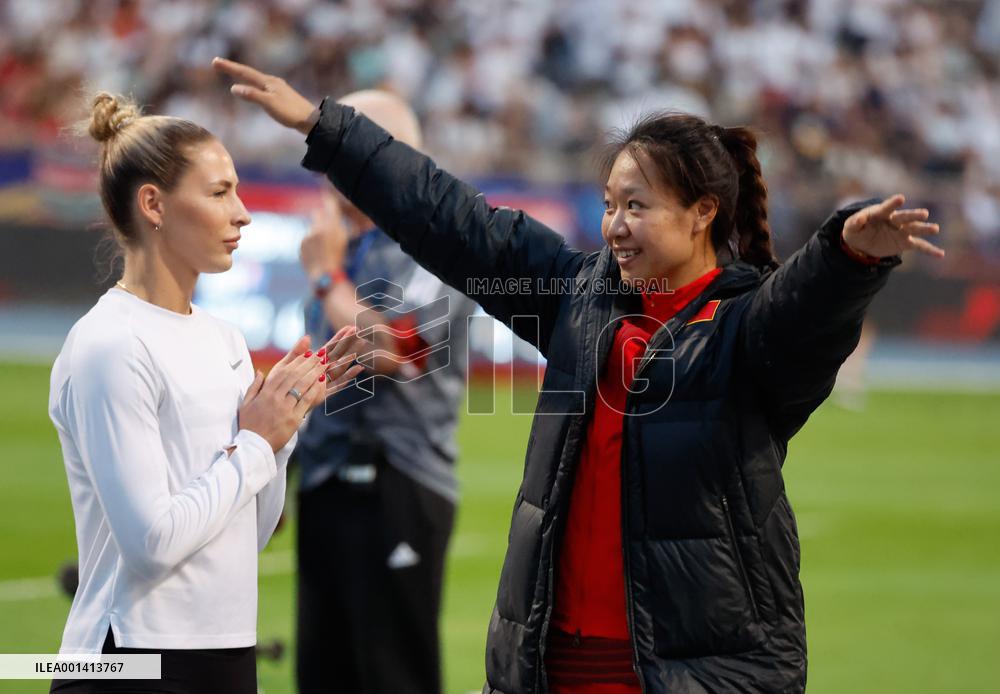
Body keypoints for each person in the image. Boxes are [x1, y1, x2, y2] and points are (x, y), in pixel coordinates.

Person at [212, 58, 944, 694]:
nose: (616, 223)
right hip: (552, 666)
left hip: (687, 673)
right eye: (609, 204)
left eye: (638, 205)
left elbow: (803, 310)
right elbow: (453, 218)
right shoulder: (577, 298)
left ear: (701, 214)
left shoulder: (743, 330)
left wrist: (849, 257)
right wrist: (323, 126)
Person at [47, 92, 362, 694]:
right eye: (219, 193)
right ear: (153, 205)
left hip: (225, 653)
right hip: (130, 659)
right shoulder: (110, 344)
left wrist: (282, 434)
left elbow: (256, 528)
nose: (242, 213)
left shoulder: (226, 340)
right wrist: (254, 442)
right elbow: (151, 544)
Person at [294, 89, 478, 694]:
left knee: (393, 673)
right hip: (325, 477)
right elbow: (325, 365)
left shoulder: (440, 238)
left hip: (399, 478)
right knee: (323, 670)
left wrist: (326, 277)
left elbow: (399, 349)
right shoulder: (351, 244)